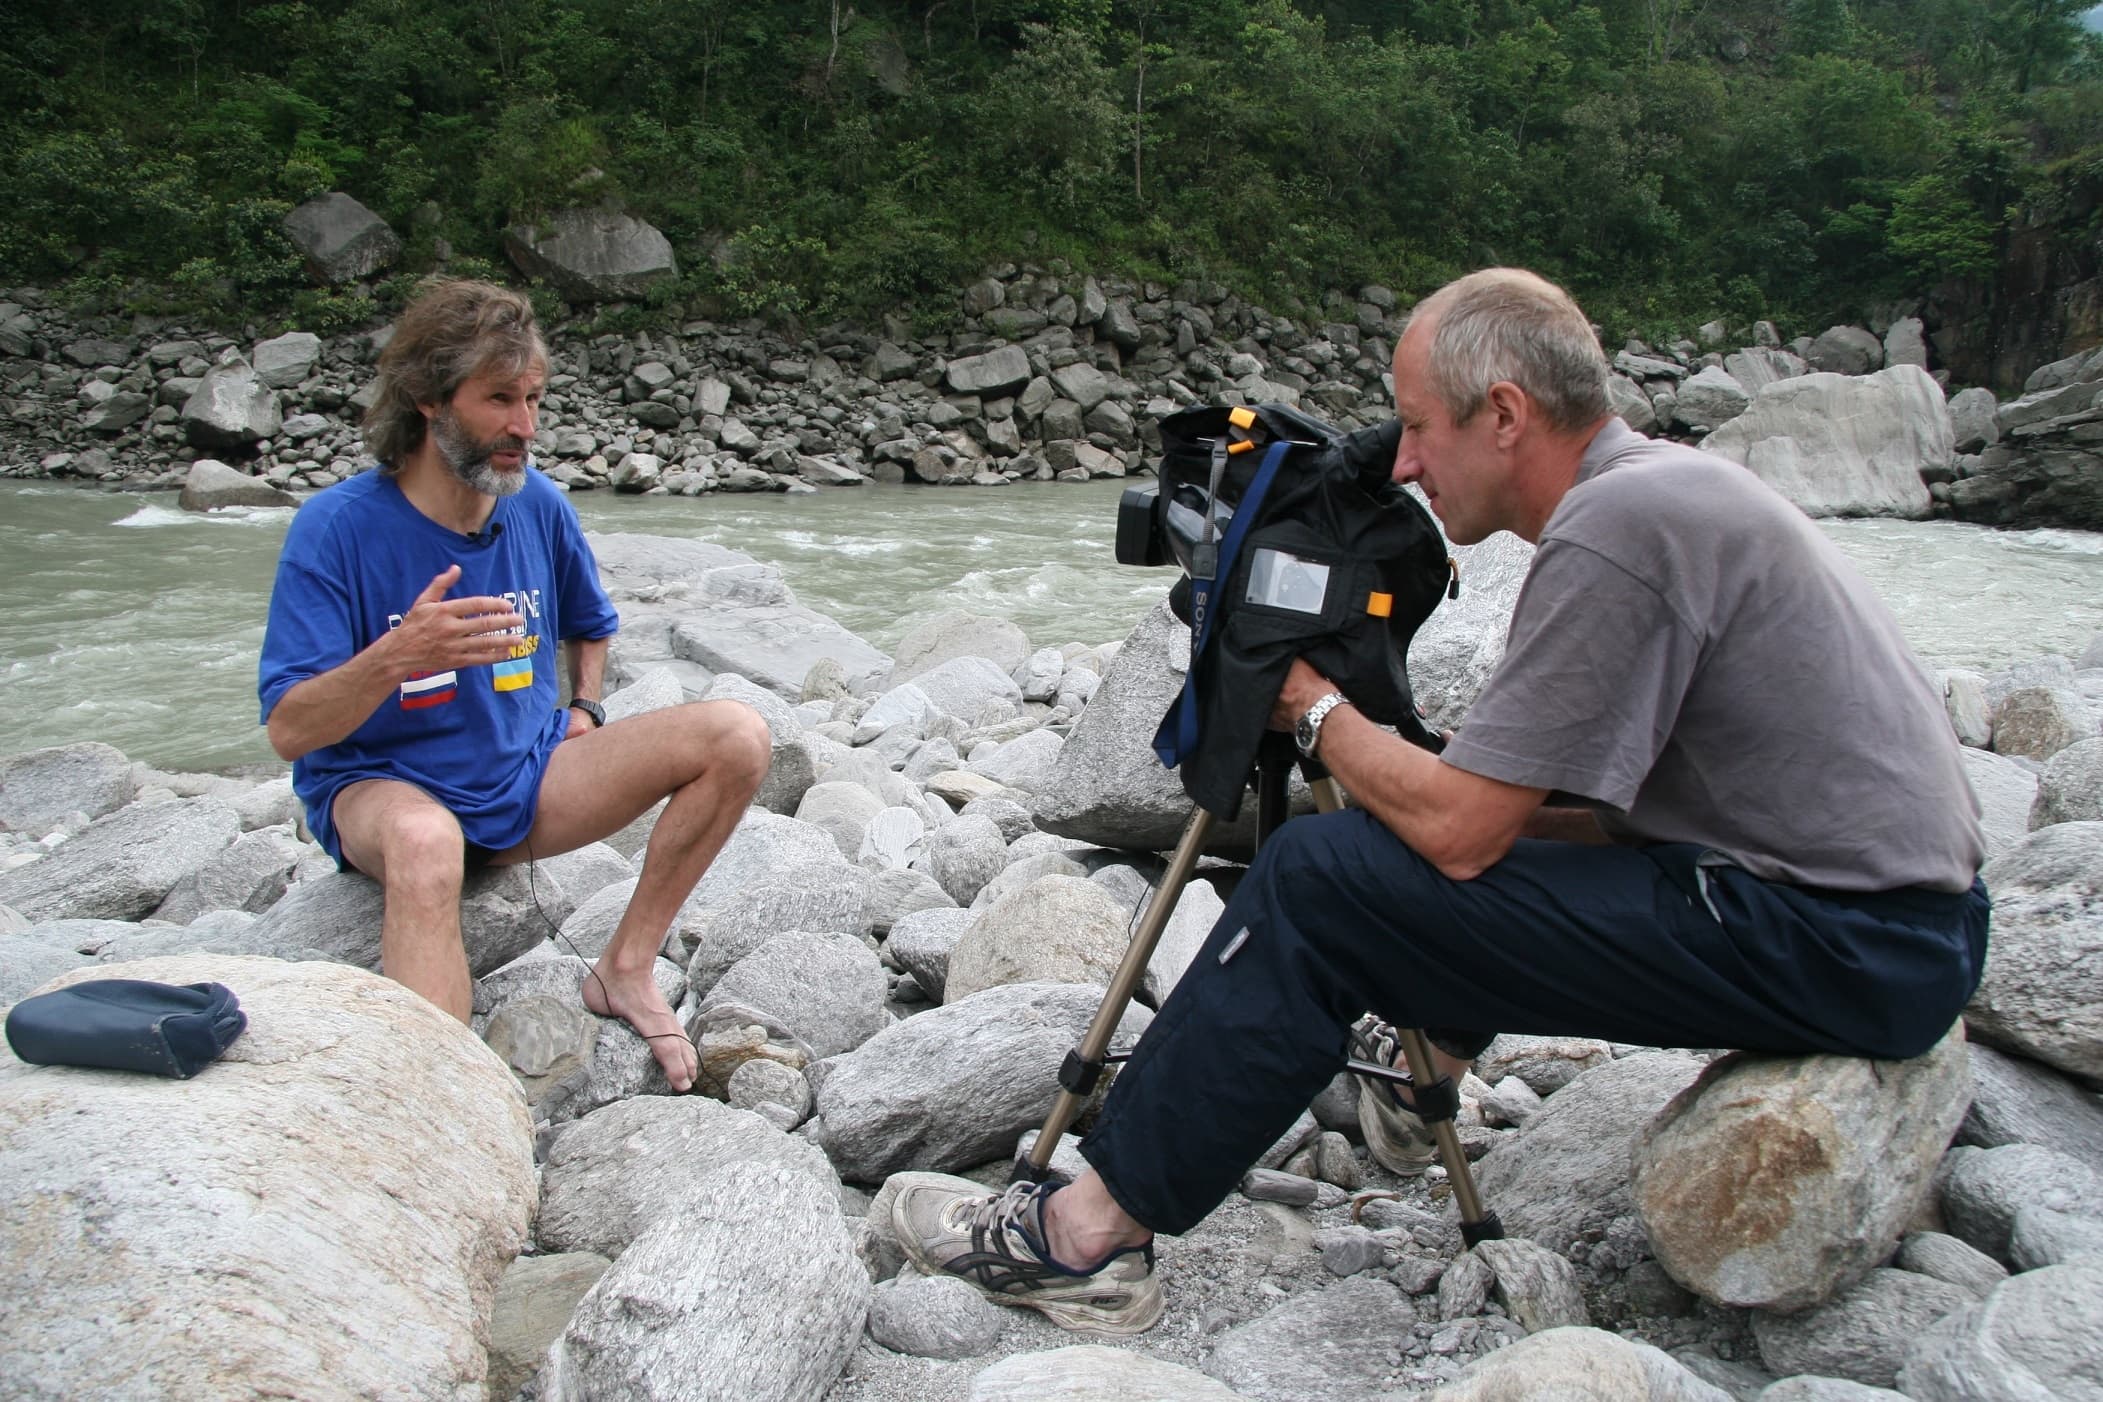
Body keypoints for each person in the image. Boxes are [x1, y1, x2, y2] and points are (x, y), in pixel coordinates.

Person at [886, 268, 1990, 1337]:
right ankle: (1419, 1097)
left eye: (1419, 427)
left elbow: (1462, 832)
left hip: (1848, 938)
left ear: (1504, 413)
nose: (1406, 462)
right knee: (1405, 834)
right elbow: (1547, 803)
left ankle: (1083, 1240)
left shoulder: (1622, 528)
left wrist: (1315, 707)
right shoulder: (1661, 490)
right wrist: (1401, 778)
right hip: (1871, 918)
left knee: (1323, 880)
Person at [258, 279, 770, 1091]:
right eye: (500, 399)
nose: (525, 428)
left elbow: (589, 621)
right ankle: (440, 1104)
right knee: (428, 842)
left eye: (534, 399)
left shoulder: (537, 505)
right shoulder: (338, 528)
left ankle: (626, 967)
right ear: (427, 398)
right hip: (383, 791)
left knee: (737, 733)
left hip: (527, 781)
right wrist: (397, 655)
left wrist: (585, 706)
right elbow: (290, 728)